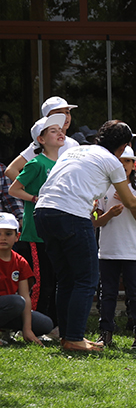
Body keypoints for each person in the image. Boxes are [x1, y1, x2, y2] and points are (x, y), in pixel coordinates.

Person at [34, 122, 136, 352]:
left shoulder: (74, 150)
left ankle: (68, 336)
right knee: (86, 279)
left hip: (43, 212)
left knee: (66, 279)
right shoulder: (112, 161)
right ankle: (75, 338)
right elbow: (130, 201)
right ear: (124, 146)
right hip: (70, 215)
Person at [9, 114, 68, 319]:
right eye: (53, 131)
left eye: (60, 130)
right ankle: (34, 322)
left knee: (57, 278)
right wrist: (35, 198)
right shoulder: (36, 163)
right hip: (35, 232)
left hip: (57, 231)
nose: (60, 133)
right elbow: (14, 189)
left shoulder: (63, 162)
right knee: (41, 281)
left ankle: (51, 322)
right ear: (41, 140)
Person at [94, 145, 136, 349]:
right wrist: (109, 214)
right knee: (107, 294)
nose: (124, 165)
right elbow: (94, 221)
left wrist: (131, 203)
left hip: (134, 252)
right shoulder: (102, 189)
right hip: (108, 251)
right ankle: (106, 333)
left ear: (134, 165)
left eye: (128, 161)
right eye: (120, 161)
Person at [0, 211, 54, 344]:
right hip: (9, 304)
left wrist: (27, 328)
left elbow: (25, 296)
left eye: (8, 234)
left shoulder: (20, 261)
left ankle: (6, 330)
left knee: (45, 324)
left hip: (9, 307)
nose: (3, 238)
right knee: (16, 302)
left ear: (17, 236)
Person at [5, 97, 80, 180]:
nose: (65, 116)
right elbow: (11, 170)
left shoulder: (74, 144)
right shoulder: (41, 145)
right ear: (47, 118)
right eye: (59, 113)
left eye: (67, 112)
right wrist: (29, 191)